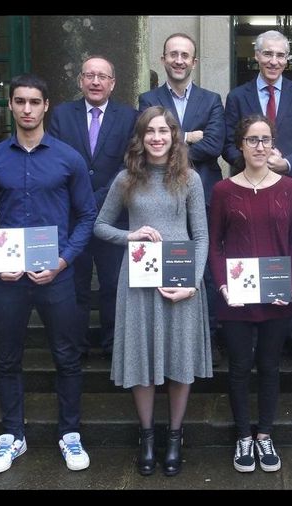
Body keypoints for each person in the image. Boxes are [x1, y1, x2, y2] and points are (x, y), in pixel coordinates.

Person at [0, 73, 97, 474]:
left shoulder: (67, 158)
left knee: (67, 356)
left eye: (34, 102)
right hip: (9, 280)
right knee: (7, 358)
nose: (27, 109)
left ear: (46, 107)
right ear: (11, 105)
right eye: (20, 101)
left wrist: (64, 260)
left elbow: (87, 214)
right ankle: (12, 436)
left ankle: (70, 434)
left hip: (55, 277)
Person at [93, 106, 211, 477]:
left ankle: (175, 435)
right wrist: (131, 235)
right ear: (141, 138)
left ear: (175, 136)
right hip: (139, 283)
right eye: (150, 131)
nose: (157, 137)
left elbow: (202, 235)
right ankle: (147, 436)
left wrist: (193, 283)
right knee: (142, 361)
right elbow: (99, 226)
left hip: (180, 279)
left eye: (164, 130)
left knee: (179, 360)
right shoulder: (126, 179)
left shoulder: (189, 179)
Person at [208, 114, 292, 473]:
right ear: (240, 146)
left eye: (265, 140)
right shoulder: (223, 191)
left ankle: (265, 435)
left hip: (277, 296)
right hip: (236, 297)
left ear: (273, 144)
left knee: (269, 367)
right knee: (239, 368)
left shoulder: (291, 189)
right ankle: (243, 435)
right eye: (252, 140)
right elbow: (215, 245)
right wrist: (222, 286)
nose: (260, 146)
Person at [223, 29, 292, 369]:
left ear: (287, 60)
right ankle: (253, 337)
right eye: (268, 54)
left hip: (290, 189)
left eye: (281, 56)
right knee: (252, 255)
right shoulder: (237, 96)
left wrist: (286, 164)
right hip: (248, 190)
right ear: (256, 56)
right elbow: (226, 143)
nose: (274, 61)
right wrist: (256, 162)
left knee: (291, 256)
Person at [139, 33, 226, 363]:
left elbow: (214, 144)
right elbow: (147, 140)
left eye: (185, 55)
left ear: (194, 62)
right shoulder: (147, 99)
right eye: (172, 54)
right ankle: (165, 342)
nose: (178, 60)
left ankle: (207, 339)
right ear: (163, 60)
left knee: (204, 270)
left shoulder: (212, 99)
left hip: (201, 194)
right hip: (158, 196)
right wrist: (189, 137)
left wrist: (172, 141)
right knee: (164, 264)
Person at [48, 55, 139, 360]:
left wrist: (96, 200)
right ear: (80, 81)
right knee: (76, 285)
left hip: (114, 216)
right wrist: (82, 202)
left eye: (103, 76)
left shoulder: (128, 117)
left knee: (114, 284)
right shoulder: (62, 115)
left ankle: (113, 343)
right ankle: (78, 343)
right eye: (90, 75)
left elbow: (130, 165)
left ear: (113, 83)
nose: (96, 81)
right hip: (73, 218)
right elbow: (57, 161)